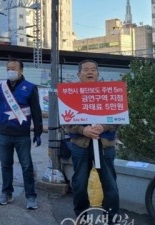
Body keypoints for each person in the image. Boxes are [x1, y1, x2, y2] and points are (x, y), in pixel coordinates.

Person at [0, 59, 42, 209]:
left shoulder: (30, 87)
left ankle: (30, 196)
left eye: (13, 68)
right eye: (8, 68)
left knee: (26, 166)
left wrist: (38, 131)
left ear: (21, 70)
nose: (10, 70)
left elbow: (36, 111)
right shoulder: (1, 87)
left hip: (22, 134)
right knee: (6, 165)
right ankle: (6, 192)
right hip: (4, 133)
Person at [64, 59, 120, 223]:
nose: (90, 72)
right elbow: (65, 122)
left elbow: (119, 118)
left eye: (93, 69)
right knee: (80, 184)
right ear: (78, 74)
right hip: (80, 146)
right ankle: (81, 217)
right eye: (86, 69)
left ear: (98, 73)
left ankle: (111, 218)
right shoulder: (70, 93)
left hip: (105, 146)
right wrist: (83, 130)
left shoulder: (110, 92)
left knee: (110, 185)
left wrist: (103, 127)